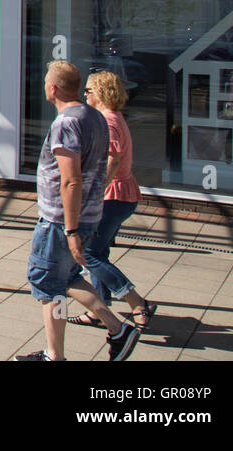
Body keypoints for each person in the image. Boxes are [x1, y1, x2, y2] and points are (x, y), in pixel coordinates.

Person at [15, 61, 140, 361]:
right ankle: (114, 331)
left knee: (47, 283)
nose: (44, 85)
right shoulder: (94, 116)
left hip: (60, 221)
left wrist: (70, 230)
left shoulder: (66, 123)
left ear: (53, 87)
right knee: (66, 278)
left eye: (46, 81)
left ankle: (59, 353)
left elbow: (71, 180)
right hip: (86, 215)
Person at [66, 71, 156, 331]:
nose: (85, 94)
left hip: (113, 196)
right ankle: (99, 308)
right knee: (99, 251)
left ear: (102, 92)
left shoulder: (109, 121)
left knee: (87, 252)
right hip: (120, 195)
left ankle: (136, 301)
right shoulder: (112, 118)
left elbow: (113, 159)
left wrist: (95, 191)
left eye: (89, 90)